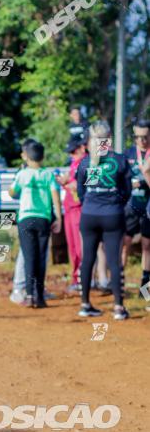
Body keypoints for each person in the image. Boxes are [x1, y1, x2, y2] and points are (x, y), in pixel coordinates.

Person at [76, 120, 131, 320]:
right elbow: (127, 191)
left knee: (87, 260)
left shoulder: (85, 162)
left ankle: (84, 304)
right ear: (109, 138)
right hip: (113, 215)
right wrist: (114, 203)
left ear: (92, 139)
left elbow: (81, 193)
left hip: (89, 215)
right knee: (114, 262)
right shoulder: (120, 160)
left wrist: (92, 202)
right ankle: (118, 307)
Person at [9, 140, 62, 308]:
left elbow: (12, 192)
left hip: (26, 219)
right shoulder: (48, 174)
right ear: (43, 156)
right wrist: (59, 218)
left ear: (26, 157)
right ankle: (40, 297)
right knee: (41, 258)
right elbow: (55, 196)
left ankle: (30, 295)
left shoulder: (22, 174)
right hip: (43, 220)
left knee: (29, 258)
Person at [56, 136, 87, 293]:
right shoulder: (74, 163)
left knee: (80, 247)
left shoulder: (86, 163)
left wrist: (68, 184)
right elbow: (70, 180)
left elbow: (77, 185)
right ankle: (76, 278)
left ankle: (83, 279)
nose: (71, 155)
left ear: (82, 148)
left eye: (74, 151)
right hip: (69, 209)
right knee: (73, 247)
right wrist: (64, 181)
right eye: (70, 152)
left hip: (78, 209)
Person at [123, 118, 150, 291]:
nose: (142, 140)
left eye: (146, 137)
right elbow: (121, 179)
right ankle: (118, 286)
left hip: (148, 206)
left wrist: (145, 177)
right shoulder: (128, 154)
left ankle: (146, 290)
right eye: (138, 137)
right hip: (130, 206)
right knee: (124, 243)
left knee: (147, 246)